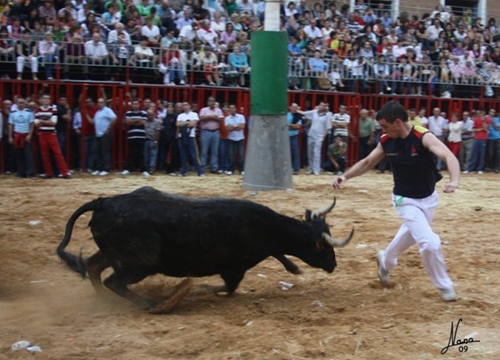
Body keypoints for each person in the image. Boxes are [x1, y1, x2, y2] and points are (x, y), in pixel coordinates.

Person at [332, 101, 460, 302]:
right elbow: (367, 162)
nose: (382, 130)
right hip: (404, 199)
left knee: (409, 235)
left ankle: (386, 260)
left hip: (429, 199)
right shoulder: (386, 140)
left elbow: (448, 156)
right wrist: (345, 176)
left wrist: (454, 180)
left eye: (385, 126)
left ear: (398, 122)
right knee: (429, 242)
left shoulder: (422, 136)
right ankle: (445, 286)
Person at [34, 94, 71, 179]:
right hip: (43, 134)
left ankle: (65, 172)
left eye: (48, 98)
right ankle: (48, 173)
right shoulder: (38, 110)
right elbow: (36, 124)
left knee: (57, 153)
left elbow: (54, 123)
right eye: (45, 98)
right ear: (41, 100)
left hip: (50, 134)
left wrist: (42, 121)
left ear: (50, 100)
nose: (46, 100)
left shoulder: (53, 109)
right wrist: (47, 121)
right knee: (44, 154)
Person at [300, 102, 331, 175]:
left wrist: (323, 137)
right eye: (321, 105)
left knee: (317, 153)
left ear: (325, 107)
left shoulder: (327, 116)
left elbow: (327, 128)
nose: (322, 107)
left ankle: (316, 169)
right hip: (311, 135)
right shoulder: (314, 112)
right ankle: (310, 168)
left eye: (323, 106)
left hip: (319, 136)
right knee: (310, 152)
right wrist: (297, 110)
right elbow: (305, 113)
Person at [8, 96, 35, 178]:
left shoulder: (29, 112)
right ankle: (21, 172)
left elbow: (32, 124)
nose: (21, 104)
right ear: (16, 104)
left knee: (29, 155)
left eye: (23, 103)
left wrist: (30, 135)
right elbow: (10, 125)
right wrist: (10, 137)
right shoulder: (13, 113)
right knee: (19, 155)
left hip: (26, 135)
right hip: (17, 135)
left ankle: (30, 173)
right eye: (19, 103)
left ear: (25, 104)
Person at [176, 102, 204, 177]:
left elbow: (192, 124)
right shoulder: (180, 115)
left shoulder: (194, 114)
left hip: (191, 136)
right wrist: (187, 122)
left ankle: (200, 171)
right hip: (182, 136)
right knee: (183, 155)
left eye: (186, 105)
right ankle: (184, 171)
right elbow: (177, 124)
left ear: (189, 106)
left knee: (194, 155)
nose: (185, 107)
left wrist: (183, 123)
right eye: (183, 105)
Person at [122, 100, 149, 177]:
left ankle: (143, 170)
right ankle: (128, 169)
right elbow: (127, 122)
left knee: (141, 153)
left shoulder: (143, 112)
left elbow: (144, 122)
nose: (135, 105)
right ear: (132, 105)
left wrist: (133, 121)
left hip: (141, 136)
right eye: (134, 104)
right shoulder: (128, 112)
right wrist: (138, 120)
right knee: (131, 153)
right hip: (132, 136)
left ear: (139, 105)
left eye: (136, 104)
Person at [91, 98, 117, 176]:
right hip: (98, 134)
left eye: (101, 102)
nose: (99, 104)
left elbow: (114, 118)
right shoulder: (98, 112)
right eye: (98, 102)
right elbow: (93, 122)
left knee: (105, 151)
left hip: (104, 134)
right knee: (97, 152)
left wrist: (109, 128)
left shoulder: (107, 110)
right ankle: (99, 168)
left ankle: (106, 169)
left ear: (104, 103)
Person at [199, 96, 223, 173]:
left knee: (214, 151)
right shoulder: (203, 110)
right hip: (205, 132)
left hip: (215, 132)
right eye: (210, 101)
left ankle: (214, 168)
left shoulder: (218, 110)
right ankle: (202, 167)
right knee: (204, 151)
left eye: (213, 101)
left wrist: (209, 117)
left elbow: (221, 120)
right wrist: (212, 117)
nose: (212, 103)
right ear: (208, 102)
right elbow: (201, 119)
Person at [464, 109, 491, 174]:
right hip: (476, 138)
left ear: (484, 113)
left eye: (482, 113)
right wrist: (480, 129)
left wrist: (483, 121)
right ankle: (470, 169)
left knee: (482, 154)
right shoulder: (476, 119)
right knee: (474, 154)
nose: (480, 114)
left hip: (483, 138)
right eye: (479, 113)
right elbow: (474, 129)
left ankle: (480, 169)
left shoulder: (488, 119)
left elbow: (486, 129)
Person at [224, 104, 246, 175]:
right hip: (231, 138)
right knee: (231, 155)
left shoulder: (241, 116)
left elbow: (242, 127)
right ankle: (230, 170)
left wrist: (232, 127)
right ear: (229, 110)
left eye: (233, 108)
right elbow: (227, 128)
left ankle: (241, 169)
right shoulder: (227, 118)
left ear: (236, 109)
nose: (232, 109)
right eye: (230, 108)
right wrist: (236, 126)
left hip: (240, 138)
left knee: (241, 155)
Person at [287, 103, 306, 175]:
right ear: (290, 108)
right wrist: (293, 126)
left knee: (295, 153)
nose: (295, 109)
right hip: (286, 137)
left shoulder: (298, 116)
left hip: (294, 137)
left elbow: (298, 126)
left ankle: (296, 169)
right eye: (293, 107)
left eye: (296, 107)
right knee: (287, 153)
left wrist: (289, 125)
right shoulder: (287, 115)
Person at [143, 108, 162, 174]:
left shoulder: (157, 122)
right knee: (146, 155)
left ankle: (151, 169)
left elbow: (158, 132)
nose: (150, 116)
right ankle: (146, 168)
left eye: (151, 115)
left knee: (153, 155)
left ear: (154, 114)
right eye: (149, 115)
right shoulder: (145, 122)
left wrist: (155, 141)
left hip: (153, 140)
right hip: (145, 140)